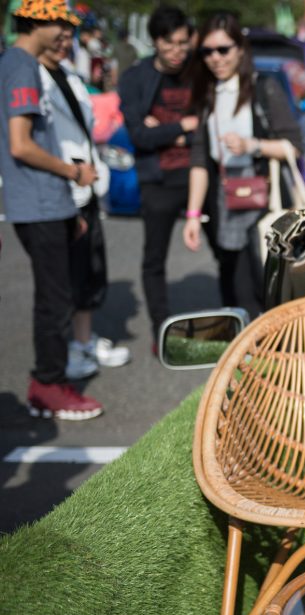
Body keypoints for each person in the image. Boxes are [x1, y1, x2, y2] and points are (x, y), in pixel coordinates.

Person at [1, 0, 103, 419]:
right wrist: (73, 173)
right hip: (39, 203)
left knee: (56, 295)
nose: (67, 33)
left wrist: (68, 204)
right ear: (36, 20)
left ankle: (52, 381)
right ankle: (48, 386)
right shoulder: (22, 66)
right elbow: (21, 144)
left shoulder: (18, 63)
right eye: (60, 23)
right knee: (55, 300)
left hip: (50, 203)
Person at [182, 12, 302, 320]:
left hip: (265, 197)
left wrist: (252, 145)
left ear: (240, 49)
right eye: (207, 51)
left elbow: (293, 146)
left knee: (270, 285)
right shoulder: (207, 95)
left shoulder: (263, 88)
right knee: (235, 286)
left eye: (223, 49)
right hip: (225, 202)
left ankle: (281, 354)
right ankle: (248, 357)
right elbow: (198, 158)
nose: (215, 58)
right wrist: (193, 215)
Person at [39, 24, 130, 380]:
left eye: (68, 36)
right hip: (62, 189)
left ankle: (83, 340)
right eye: (58, 36)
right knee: (63, 278)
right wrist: (70, 175)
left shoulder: (70, 75)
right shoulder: (31, 78)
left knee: (90, 269)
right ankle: (63, 355)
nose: (65, 42)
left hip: (87, 187)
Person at [117, 5, 197, 347]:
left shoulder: (198, 73)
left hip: (198, 175)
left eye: (183, 43)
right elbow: (138, 136)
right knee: (154, 259)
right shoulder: (135, 78)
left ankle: (239, 320)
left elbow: (211, 129)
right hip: (158, 179)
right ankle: (161, 331)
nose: (177, 51)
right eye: (170, 44)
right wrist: (180, 128)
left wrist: (164, 130)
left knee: (229, 248)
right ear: (155, 42)